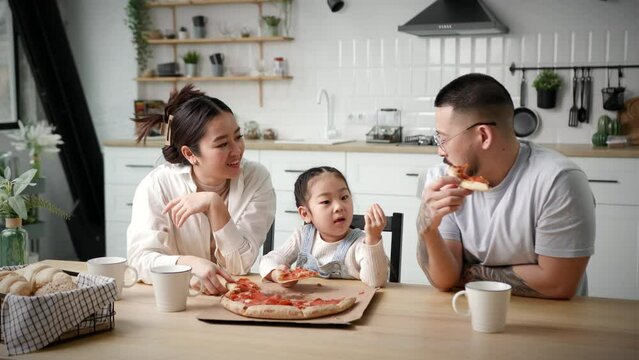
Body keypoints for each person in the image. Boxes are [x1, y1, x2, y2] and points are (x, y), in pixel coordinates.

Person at [416, 73, 595, 299]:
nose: (440, 151)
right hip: (469, 312)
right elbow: (445, 280)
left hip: (554, 322)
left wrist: (467, 273)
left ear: (483, 135)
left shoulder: (558, 181)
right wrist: (426, 228)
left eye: (443, 139)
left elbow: (558, 284)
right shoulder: (443, 181)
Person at [128, 84, 276, 295]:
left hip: (239, 298)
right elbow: (139, 260)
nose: (237, 150)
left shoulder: (256, 178)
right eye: (222, 144)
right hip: (178, 299)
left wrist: (215, 205)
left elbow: (239, 265)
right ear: (190, 154)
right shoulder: (158, 185)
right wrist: (187, 265)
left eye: (238, 136)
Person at [259, 166, 389, 288]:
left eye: (344, 197)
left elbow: (376, 281)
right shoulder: (302, 236)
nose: (339, 206)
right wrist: (276, 273)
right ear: (305, 214)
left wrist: (373, 239)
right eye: (326, 201)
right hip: (306, 303)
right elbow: (268, 260)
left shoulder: (360, 243)